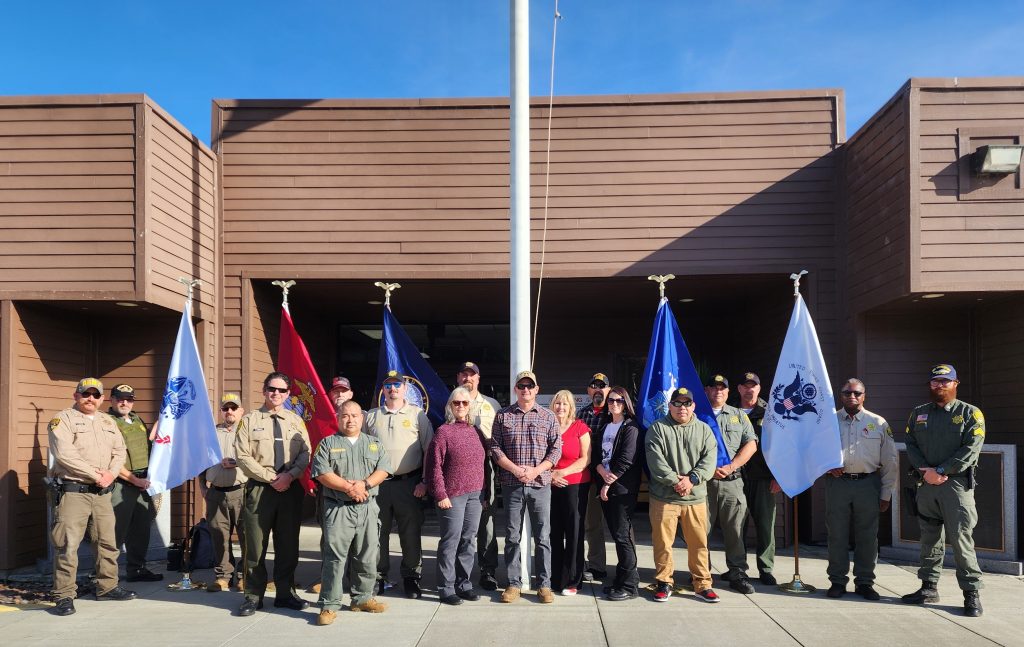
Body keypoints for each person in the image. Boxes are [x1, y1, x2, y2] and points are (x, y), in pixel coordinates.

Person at [47, 377, 137, 616]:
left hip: (102, 493)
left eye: (95, 395)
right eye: (85, 394)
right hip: (74, 491)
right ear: (76, 396)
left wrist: (111, 474)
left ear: (101, 399)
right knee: (67, 545)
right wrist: (95, 474)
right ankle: (64, 595)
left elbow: (120, 451)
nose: (90, 398)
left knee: (107, 543)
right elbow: (64, 454)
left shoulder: (107, 421)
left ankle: (107, 587)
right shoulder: (63, 419)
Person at [901, 364, 985, 618]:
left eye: (945, 381)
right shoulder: (918, 414)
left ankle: (971, 593)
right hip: (926, 484)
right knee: (929, 537)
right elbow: (911, 443)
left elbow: (972, 446)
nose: (939, 385)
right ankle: (928, 587)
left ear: (955, 383)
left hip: (956, 486)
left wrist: (943, 470)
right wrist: (926, 471)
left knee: (960, 539)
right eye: (935, 381)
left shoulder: (971, 413)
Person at [234, 371, 312, 616]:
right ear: (264, 390)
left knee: (288, 544)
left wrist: (289, 476)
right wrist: (271, 478)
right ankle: (253, 595)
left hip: (289, 489)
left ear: (288, 394)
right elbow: (242, 455)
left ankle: (285, 593)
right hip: (260, 488)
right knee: (255, 546)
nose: (276, 394)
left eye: (281, 390)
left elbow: (305, 453)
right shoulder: (249, 420)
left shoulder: (295, 420)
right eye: (272, 389)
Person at [312, 400, 390, 625]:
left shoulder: (373, 443)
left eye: (355, 415)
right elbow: (322, 472)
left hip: (367, 508)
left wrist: (363, 485)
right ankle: (329, 604)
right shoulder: (327, 444)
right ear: (338, 418)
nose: (350, 420)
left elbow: (383, 469)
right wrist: (349, 488)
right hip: (338, 509)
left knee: (367, 555)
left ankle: (362, 598)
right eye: (345, 415)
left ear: (362, 418)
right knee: (334, 558)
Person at [488, 370, 561, 604]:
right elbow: (495, 449)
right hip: (512, 485)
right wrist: (515, 469)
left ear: (537, 389)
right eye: (522, 386)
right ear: (515, 389)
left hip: (540, 485)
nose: (526, 389)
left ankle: (544, 585)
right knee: (512, 536)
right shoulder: (502, 416)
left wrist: (535, 470)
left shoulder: (548, 417)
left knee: (543, 537)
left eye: (530, 386)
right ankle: (513, 584)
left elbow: (555, 450)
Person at [363, 369, 434, 598]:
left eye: (397, 385)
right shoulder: (372, 416)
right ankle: (379, 576)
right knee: (377, 532)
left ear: (405, 389)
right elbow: (361, 450)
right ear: (383, 389)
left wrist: (425, 481)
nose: (393, 389)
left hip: (409, 483)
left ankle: (412, 576)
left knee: (410, 532)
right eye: (389, 385)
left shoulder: (417, 415)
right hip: (378, 484)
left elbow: (429, 451)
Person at [645, 387, 719, 603]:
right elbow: (655, 461)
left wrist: (692, 479)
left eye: (687, 403)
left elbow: (709, 459)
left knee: (698, 543)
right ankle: (664, 582)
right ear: (670, 406)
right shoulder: (657, 429)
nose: (682, 408)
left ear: (693, 406)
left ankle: (703, 584)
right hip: (664, 498)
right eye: (677, 403)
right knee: (663, 543)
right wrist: (677, 481)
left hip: (695, 498)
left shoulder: (704, 430)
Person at [825, 378, 896, 600]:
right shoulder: (828, 421)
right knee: (836, 534)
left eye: (857, 393)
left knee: (867, 536)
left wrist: (886, 494)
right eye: (847, 393)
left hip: (868, 484)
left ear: (864, 395)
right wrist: (827, 467)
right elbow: (814, 451)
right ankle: (837, 581)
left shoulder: (878, 422)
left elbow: (890, 460)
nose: (852, 397)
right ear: (841, 395)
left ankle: (865, 582)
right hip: (838, 483)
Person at [424, 387, 486, 605]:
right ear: (450, 406)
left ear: (470, 406)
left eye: (465, 403)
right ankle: (446, 587)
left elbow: (482, 465)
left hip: (475, 496)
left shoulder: (476, 431)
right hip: (452, 496)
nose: (461, 406)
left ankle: (463, 584)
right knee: (451, 541)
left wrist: (484, 492)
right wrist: (440, 493)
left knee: (469, 541)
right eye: (456, 403)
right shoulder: (443, 432)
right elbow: (434, 468)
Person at [704, 374, 758, 594]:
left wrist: (731, 466)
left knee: (735, 530)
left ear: (728, 391)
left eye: (722, 388)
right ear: (706, 390)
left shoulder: (738, 416)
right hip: (704, 483)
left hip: (732, 482)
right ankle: (702, 574)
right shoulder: (696, 414)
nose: (718, 391)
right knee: (700, 531)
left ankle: (737, 573)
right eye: (714, 388)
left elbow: (751, 445)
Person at [107, 383, 162, 583]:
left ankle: (136, 569)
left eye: (129, 399)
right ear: (111, 400)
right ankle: (105, 577)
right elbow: (110, 458)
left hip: (141, 484)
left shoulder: (136, 419)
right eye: (120, 398)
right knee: (114, 532)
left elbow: (146, 446)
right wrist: (134, 479)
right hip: (121, 484)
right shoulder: (107, 422)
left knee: (141, 531)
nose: (124, 402)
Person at [456, 361, 502, 591]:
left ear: (478, 379)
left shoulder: (492, 405)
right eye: (464, 374)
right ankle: (459, 574)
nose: (468, 378)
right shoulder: (452, 402)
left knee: (487, 521)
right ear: (458, 378)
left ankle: (488, 570)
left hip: (486, 466)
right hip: (457, 469)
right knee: (459, 523)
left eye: (472, 374)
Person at [595, 387, 642, 601]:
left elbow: (625, 461)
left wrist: (607, 484)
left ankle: (630, 585)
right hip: (606, 484)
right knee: (616, 535)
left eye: (619, 400)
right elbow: (597, 456)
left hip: (622, 489)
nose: (614, 403)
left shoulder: (630, 427)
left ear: (626, 403)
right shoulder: (606, 426)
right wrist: (601, 472)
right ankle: (620, 580)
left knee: (624, 536)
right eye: (611, 400)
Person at [736, 372, 781, 585]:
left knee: (765, 525)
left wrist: (778, 476)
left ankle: (766, 568)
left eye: (753, 385)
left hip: (763, 478)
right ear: (739, 389)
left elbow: (780, 447)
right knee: (737, 526)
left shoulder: (772, 413)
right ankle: (738, 568)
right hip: (736, 478)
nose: (749, 389)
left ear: (759, 389)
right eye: (745, 386)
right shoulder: (731, 413)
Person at [202, 393, 248, 593]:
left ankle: (245, 575)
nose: (229, 411)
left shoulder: (247, 431)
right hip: (216, 491)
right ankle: (223, 575)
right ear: (221, 411)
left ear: (241, 411)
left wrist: (237, 463)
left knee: (247, 535)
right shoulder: (211, 433)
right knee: (219, 535)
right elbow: (201, 461)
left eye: (233, 408)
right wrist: (203, 487)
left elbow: (256, 458)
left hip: (242, 490)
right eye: (225, 408)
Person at [548, 389, 591, 595]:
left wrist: (561, 472)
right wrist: (551, 475)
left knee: (573, 532)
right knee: (554, 532)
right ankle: (556, 578)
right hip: (550, 485)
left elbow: (585, 459)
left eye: (565, 404)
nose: (561, 407)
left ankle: (573, 580)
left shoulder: (579, 427)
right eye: (557, 403)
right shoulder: (547, 427)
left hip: (575, 485)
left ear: (571, 407)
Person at [577, 372, 611, 582]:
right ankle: (597, 566)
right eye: (594, 386)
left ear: (608, 389)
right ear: (589, 390)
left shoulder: (616, 411)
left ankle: (629, 567)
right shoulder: (581, 415)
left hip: (613, 478)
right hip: (589, 478)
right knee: (592, 524)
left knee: (621, 526)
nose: (598, 389)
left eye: (602, 386)